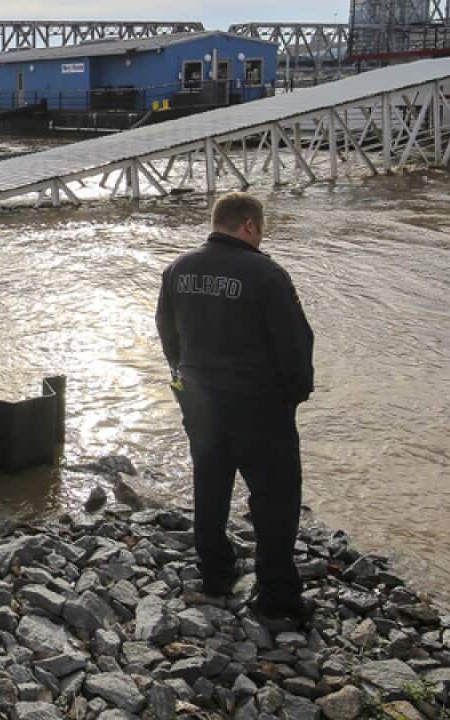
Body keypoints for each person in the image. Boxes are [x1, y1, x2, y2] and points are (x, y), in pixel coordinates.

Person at [156, 193, 315, 624]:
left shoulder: (177, 270)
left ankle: (215, 573)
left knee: (210, 484)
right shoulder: (266, 274)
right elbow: (296, 346)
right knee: (274, 496)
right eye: (260, 230)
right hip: (257, 405)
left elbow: (167, 334)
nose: (261, 237)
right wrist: (294, 395)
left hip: (200, 401)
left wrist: (182, 379)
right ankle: (278, 596)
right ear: (249, 225)